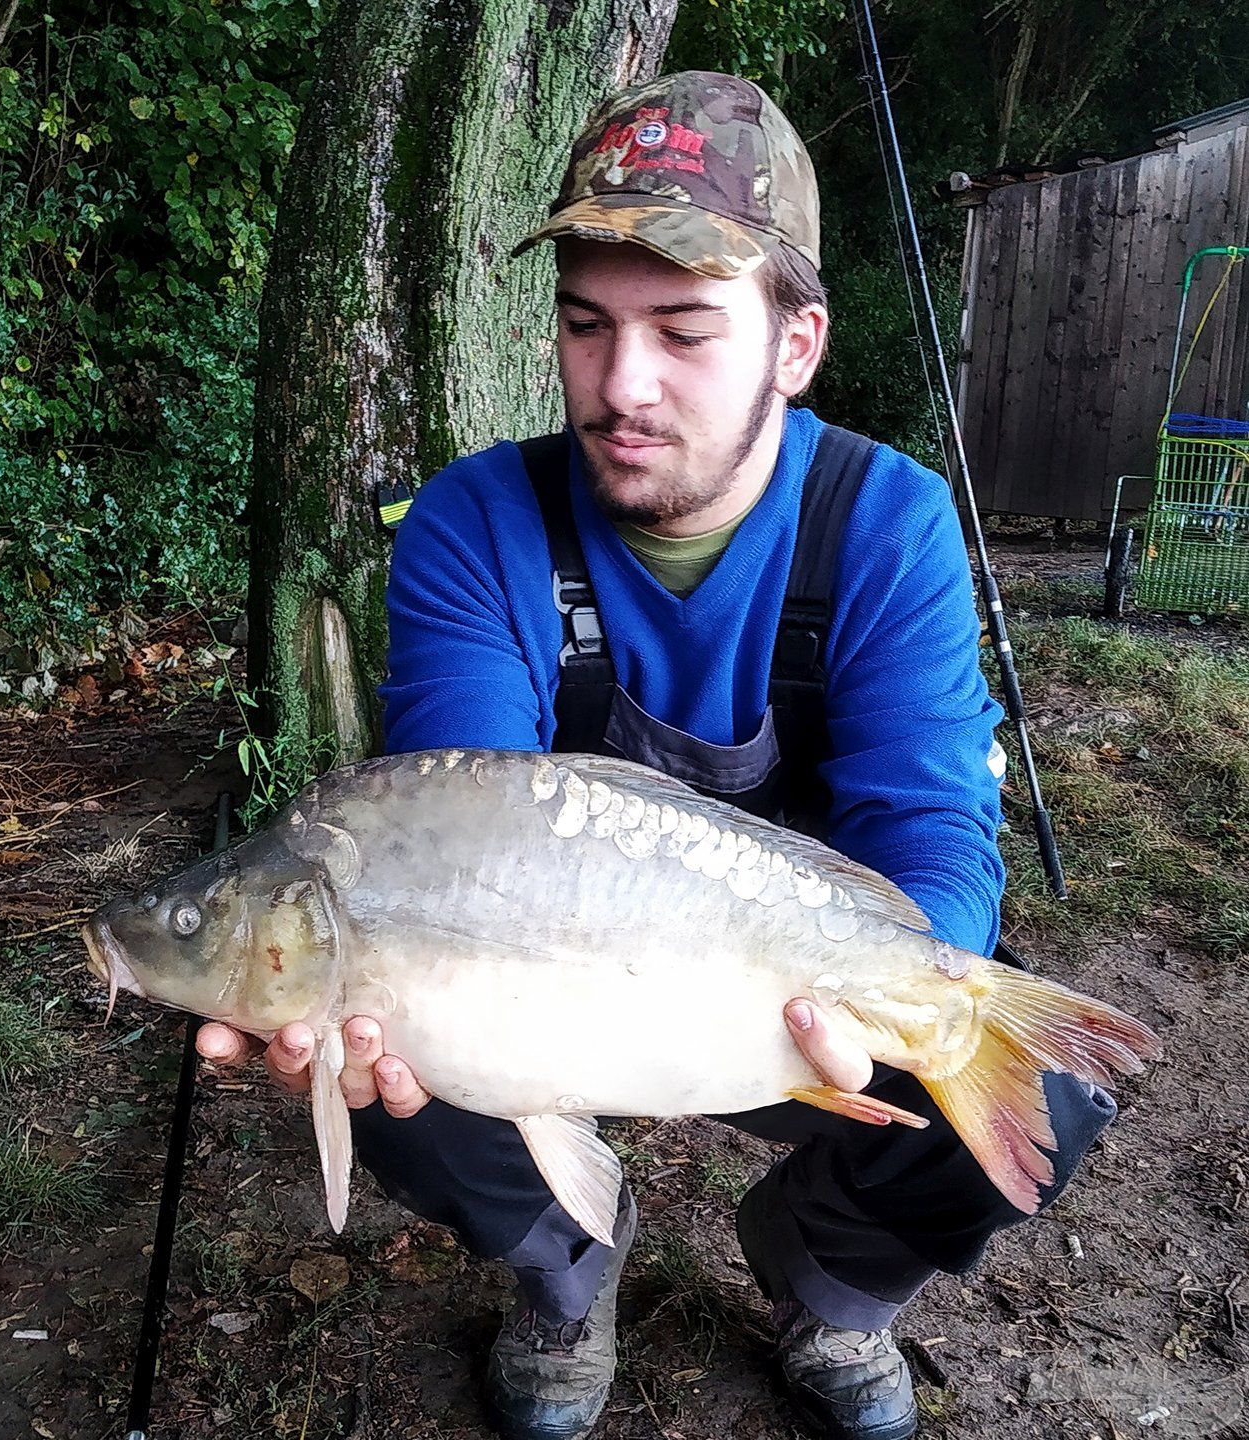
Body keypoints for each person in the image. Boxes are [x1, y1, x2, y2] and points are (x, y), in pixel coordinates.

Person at [199, 71, 1116, 1440]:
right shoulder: (476, 521)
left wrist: (878, 1015)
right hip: (550, 985)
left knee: (1031, 1084)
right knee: (370, 1048)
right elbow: (449, 835)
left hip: (798, 988)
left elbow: (933, 828)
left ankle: (823, 1277)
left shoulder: (887, 520)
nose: (622, 386)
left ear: (795, 344)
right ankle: (569, 1270)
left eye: (684, 332)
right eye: (587, 327)